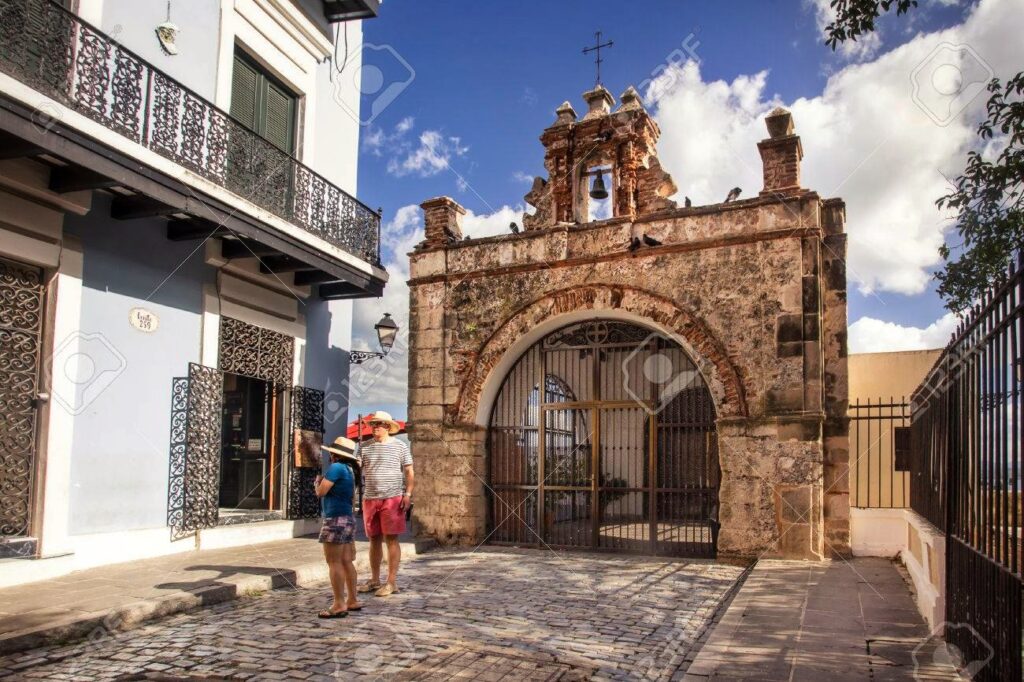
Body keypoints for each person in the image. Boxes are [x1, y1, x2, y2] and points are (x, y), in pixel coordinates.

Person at [356, 411, 414, 597]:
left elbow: (409, 472)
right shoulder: (364, 447)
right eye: (373, 424)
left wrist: (408, 494)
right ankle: (375, 579)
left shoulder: (400, 446)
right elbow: (357, 469)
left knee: (391, 539)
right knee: (373, 539)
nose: (375, 427)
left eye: (379, 424)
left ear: (388, 427)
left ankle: (391, 581)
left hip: (392, 497)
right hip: (370, 498)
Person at [315, 436, 362, 618]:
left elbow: (321, 492)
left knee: (333, 562)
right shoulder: (350, 470)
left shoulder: (335, 468)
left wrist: (316, 483)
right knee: (346, 561)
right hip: (348, 518)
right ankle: (352, 599)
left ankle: (338, 603)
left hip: (335, 519)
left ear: (334, 454)